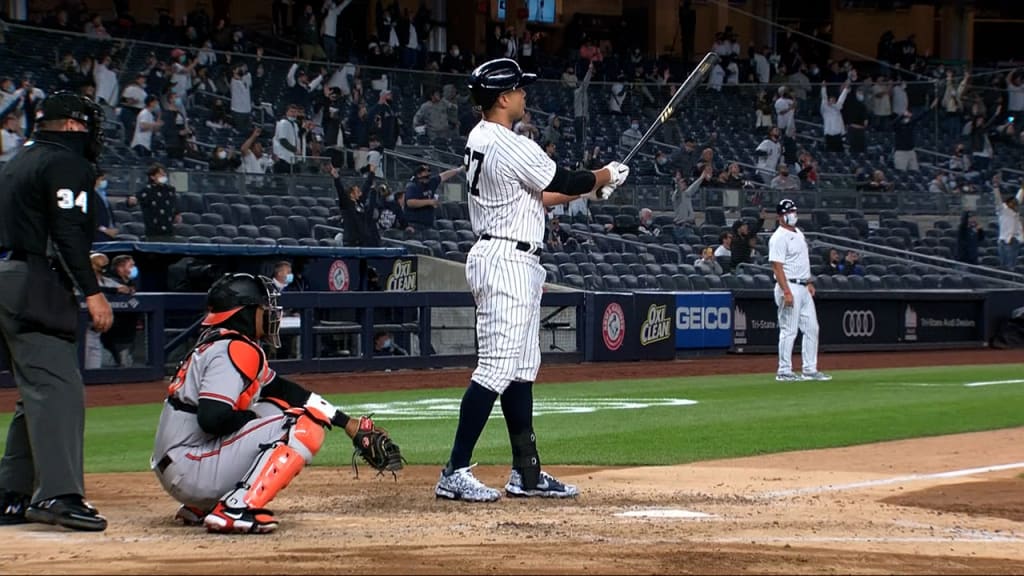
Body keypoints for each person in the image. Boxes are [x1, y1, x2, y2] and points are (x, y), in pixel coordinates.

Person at [435, 58, 627, 502]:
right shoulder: (507, 141)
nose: (524, 95)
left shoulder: (483, 137)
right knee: (497, 369)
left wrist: (593, 188)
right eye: (519, 90)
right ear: (503, 98)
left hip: (509, 255)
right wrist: (604, 175)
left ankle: (527, 472)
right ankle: (454, 470)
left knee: (521, 370)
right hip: (506, 258)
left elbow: (542, 193)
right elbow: (563, 177)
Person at [152, 273, 394, 533]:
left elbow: (285, 392)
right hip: (191, 469)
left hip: (181, 465)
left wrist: (347, 423)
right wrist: (253, 421)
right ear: (244, 313)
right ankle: (236, 508)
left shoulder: (219, 343)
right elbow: (212, 419)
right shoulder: (235, 348)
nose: (270, 314)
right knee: (303, 425)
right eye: (262, 308)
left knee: (277, 406)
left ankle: (205, 505)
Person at [0, 92, 114, 531]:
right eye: (86, 126)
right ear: (70, 126)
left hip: (12, 274)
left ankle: (12, 493)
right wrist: (92, 290)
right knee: (59, 388)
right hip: (33, 281)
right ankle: (58, 496)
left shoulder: (19, 160)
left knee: (38, 386)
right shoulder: (67, 162)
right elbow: (67, 230)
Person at [768, 198, 830, 382]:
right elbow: (777, 267)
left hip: (803, 286)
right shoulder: (778, 237)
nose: (792, 215)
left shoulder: (799, 233)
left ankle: (810, 369)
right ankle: (784, 370)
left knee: (812, 328)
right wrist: (786, 291)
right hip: (789, 285)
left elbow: (802, 261)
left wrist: (809, 281)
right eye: (788, 212)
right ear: (780, 216)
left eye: (793, 211)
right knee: (789, 330)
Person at [332, 164, 381, 247]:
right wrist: (337, 179)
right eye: (356, 190)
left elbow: (365, 189)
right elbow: (340, 192)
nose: (359, 191)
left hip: (363, 240)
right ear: (351, 194)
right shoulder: (346, 204)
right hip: (351, 241)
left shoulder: (359, 203)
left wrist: (372, 173)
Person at [403, 163, 463, 231]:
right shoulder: (412, 186)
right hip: (414, 224)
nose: (428, 173)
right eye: (425, 171)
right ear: (418, 174)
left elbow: (444, 175)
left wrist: (459, 169)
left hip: (428, 224)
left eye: (429, 170)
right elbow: (410, 203)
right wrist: (429, 202)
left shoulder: (431, 182)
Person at [130, 163, 179, 241]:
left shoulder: (170, 189)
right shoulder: (147, 190)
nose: (163, 175)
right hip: (154, 232)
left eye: (164, 173)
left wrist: (177, 214)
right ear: (152, 177)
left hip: (169, 230)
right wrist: (131, 200)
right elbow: (134, 200)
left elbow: (174, 204)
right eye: (160, 174)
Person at [996, 185, 1024, 269]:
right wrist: (995, 188)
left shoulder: (1015, 213)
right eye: (1013, 203)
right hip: (1002, 241)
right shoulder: (1003, 211)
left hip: (1013, 241)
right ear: (1008, 204)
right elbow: (997, 200)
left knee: (1011, 266)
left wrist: (1022, 188)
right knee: (1003, 265)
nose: (1015, 205)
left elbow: (1019, 198)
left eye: (1015, 203)